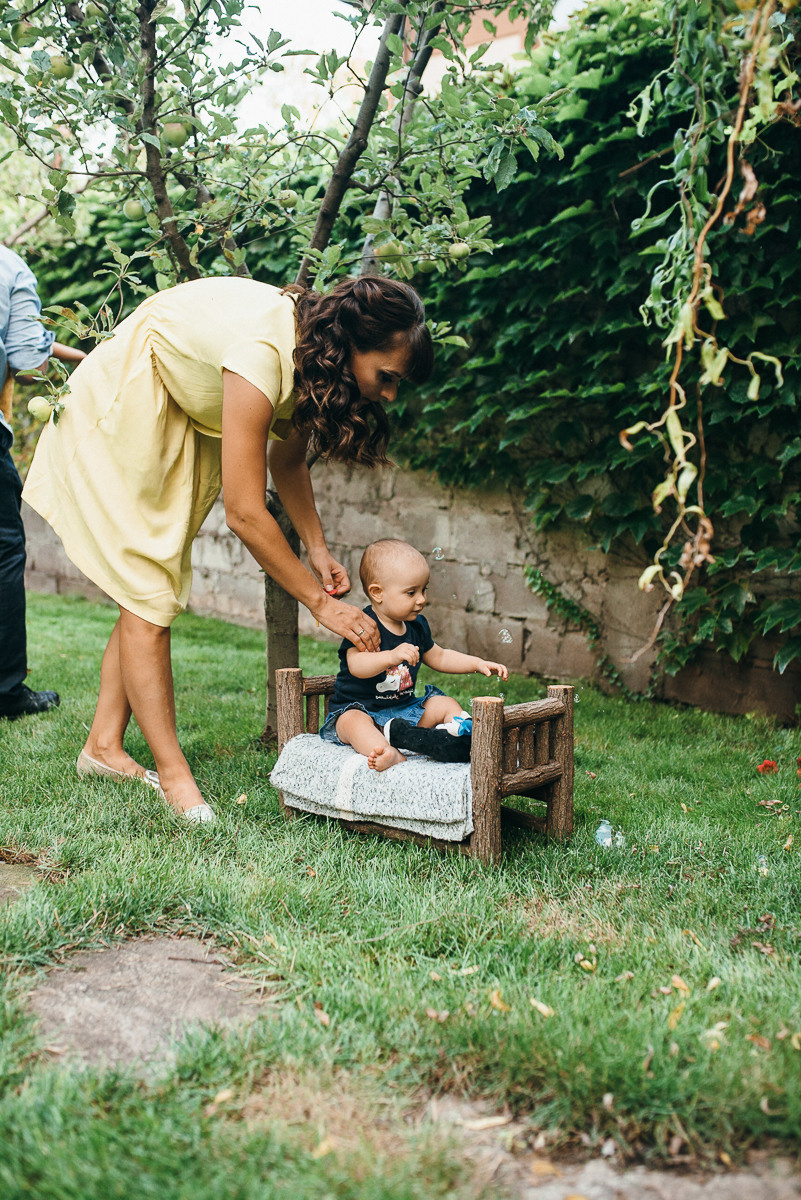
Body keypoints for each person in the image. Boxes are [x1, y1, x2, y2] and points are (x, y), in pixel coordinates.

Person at [23, 274, 433, 820]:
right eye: (387, 376)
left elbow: (285, 461)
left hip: (180, 416)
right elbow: (244, 511)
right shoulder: (264, 354)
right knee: (148, 592)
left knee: (148, 590)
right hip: (130, 402)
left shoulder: (314, 358)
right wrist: (320, 602)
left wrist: (317, 547)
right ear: (355, 342)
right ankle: (175, 779)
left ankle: (103, 747)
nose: (388, 394)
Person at [319, 538, 509, 771]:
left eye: (423, 590)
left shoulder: (417, 626)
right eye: (411, 593)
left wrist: (477, 663)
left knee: (444, 703)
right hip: (361, 709)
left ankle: (462, 736)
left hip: (403, 713)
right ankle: (387, 752)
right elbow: (356, 665)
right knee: (352, 723)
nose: (421, 599)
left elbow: (439, 656)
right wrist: (391, 656)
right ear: (378, 593)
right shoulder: (363, 624)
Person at [0, 245, 85, 721]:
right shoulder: (8, 266)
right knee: (3, 553)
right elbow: (28, 357)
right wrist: (87, 358)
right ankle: (6, 690)